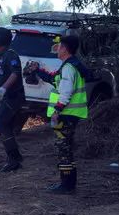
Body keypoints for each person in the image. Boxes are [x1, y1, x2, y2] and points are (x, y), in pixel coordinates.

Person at [26, 35, 90, 194]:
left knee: (64, 149)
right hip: (70, 114)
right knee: (66, 148)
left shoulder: (68, 68)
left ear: (65, 49)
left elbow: (66, 92)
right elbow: (54, 78)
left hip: (66, 114)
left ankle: (66, 185)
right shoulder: (69, 65)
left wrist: (57, 111)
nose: (57, 49)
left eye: (59, 46)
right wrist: (38, 70)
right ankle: (68, 184)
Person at [0, 27, 25, 172]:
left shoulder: (10, 55)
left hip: (14, 96)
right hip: (5, 95)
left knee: (0, 123)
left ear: (0, 39)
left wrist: (4, 89)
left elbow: (15, 74)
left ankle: (14, 159)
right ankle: (13, 156)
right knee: (2, 125)